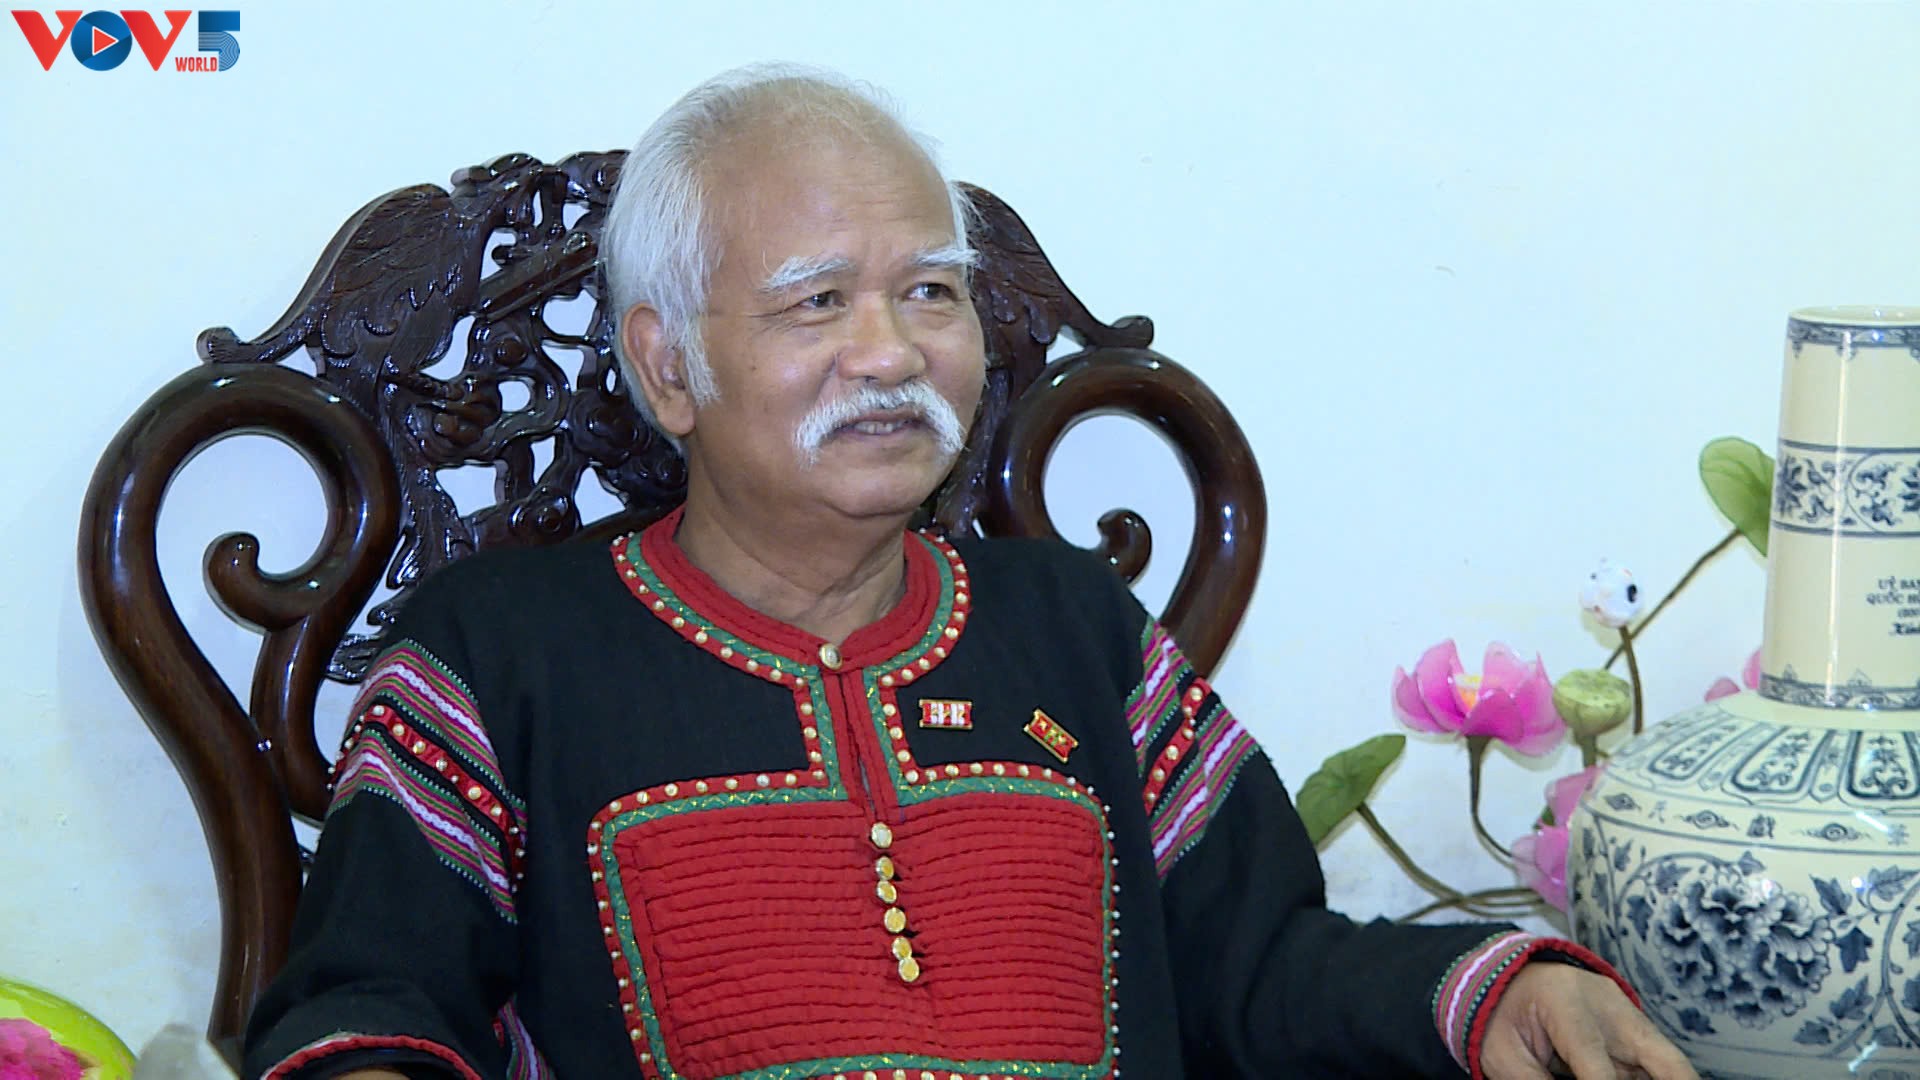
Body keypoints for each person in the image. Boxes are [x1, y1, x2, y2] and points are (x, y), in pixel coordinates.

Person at [243, 64, 1698, 1080]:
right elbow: (374, 1009)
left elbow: (1263, 965)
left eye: (929, 292)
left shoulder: (1075, 628)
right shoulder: (497, 654)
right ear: (666, 368)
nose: (890, 353)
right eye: (818, 302)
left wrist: (1501, 993)